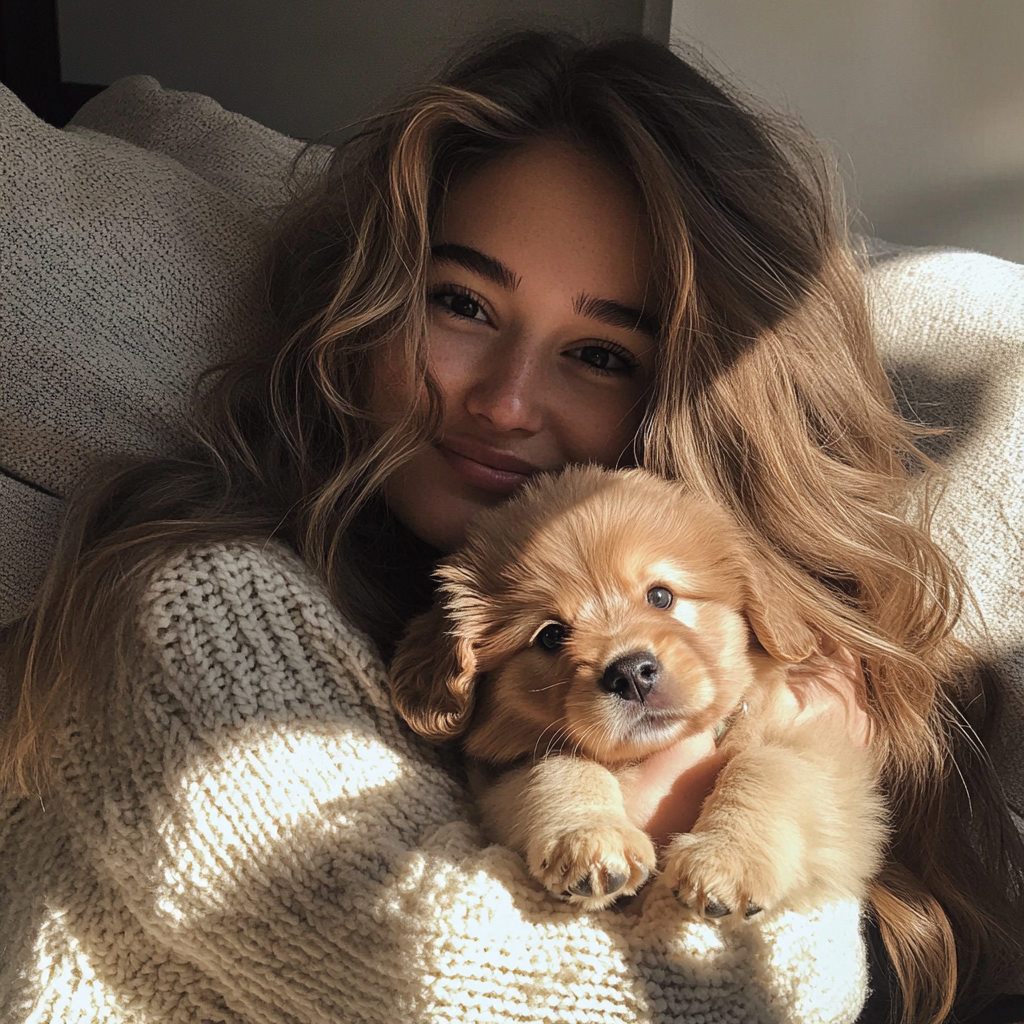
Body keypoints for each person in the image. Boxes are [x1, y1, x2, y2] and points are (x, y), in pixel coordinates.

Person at [1, 29, 1021, 1024]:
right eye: (463, 305)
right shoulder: (203, 611)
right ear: (368, 306)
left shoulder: (742, 639)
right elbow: (552, 993)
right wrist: (745, 782)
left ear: (693, 407)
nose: (503, 401)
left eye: (601, 355)